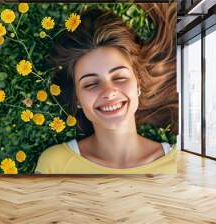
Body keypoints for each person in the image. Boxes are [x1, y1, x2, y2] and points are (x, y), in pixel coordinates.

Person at [35, 4, 178, 174]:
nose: (109, 92)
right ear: (77, 98)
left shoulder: (180, 162)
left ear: (138, 82)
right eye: (91, 84)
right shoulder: (55, 165)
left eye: (119, 77)